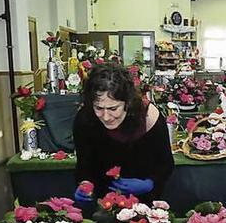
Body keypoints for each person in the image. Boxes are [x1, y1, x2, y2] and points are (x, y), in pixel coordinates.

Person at [72, 63, 174, 205]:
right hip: (103, 200)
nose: (106, 116)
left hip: (145, 202)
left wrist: (150, 183)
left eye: (113, 108)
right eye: (99, 108)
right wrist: (84, 184)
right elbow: (84, 163)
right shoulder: (85, 119)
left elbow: (166, 163)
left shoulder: (149, 117)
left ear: (128, 102)